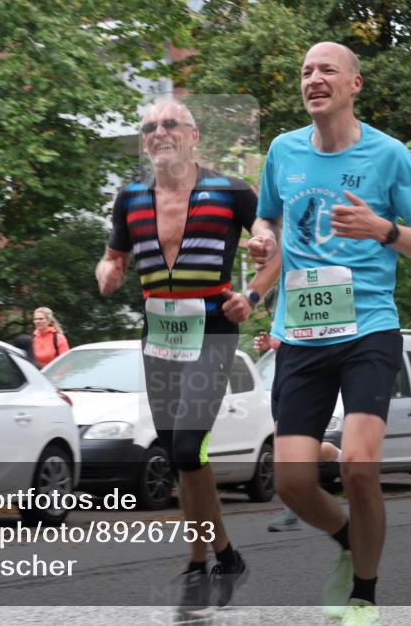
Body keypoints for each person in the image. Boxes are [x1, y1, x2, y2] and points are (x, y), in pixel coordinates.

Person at [248, 42, 411, 625]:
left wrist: (382, 229)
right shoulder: (283, 151)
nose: (314, 79)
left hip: (369, 330)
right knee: (291, 483)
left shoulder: (389, 155)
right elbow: (267, 216)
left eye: (327, 70)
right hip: (300, 334)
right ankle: (347, 540)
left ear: (354, 84)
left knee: (359, 468)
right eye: (306, 71)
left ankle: (364, 593)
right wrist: (263, 238)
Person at [96, 99, 279, 617]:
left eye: (170, 123)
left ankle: (212, 560)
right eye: (149, 127)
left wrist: (254, 294)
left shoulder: (231, 191)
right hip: (158, 334)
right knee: (184, 456)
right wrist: (107, 273)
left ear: (193, 136)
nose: (158, 132)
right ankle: (212, 560)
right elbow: (112, 258)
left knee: (186, 447)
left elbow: (274, 245)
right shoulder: (130, 197)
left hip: (212, 332)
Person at [253, 331, 341, 533]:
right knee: (288, 448)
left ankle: (292, 512)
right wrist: (270, 346)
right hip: (282, 380)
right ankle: (341, 457)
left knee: (291, 448)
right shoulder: (280, 315)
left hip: (303, 379)